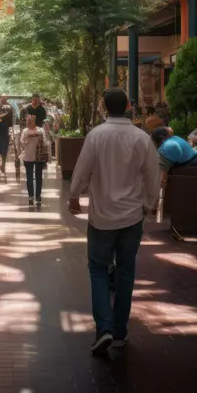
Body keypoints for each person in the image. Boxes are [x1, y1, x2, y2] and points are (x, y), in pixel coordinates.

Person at [69, 87, 160, 355]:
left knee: (98, 270)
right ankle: (119, 332)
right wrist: (149, 203)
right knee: (125, 271)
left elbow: (82, 169)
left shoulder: (96, 136)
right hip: (132, 216)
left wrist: (74, 195)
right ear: (129, 105)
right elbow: (153, 172)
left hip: (101, 216)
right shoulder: (141, 137)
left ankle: (104, 328)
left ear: (103, 107)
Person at [21, 113, 48, 206]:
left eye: (30, 121)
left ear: (34, 121)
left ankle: (38, 196)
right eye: (27, 120)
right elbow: (22, 143)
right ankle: (30, 196)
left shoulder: (40, 130)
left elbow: (44, 142)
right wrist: (28, 138)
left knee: (38, 177)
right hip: (28, 157)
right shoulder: (25, 131)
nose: (28, 122)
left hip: (38, 157)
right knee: (29, 177)